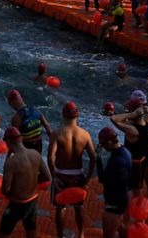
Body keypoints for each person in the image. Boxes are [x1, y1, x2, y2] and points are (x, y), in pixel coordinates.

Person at [47, 101, 95, 238]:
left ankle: (60, 235)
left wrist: (54, 177)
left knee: (59, 208)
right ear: (77, 116)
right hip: (77, 175)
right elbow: (93, 158)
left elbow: (50, 157)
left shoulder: (57, 134)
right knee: (78, 207)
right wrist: (88, 178)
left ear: (63, 116)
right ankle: (81, 234)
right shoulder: (85, 134)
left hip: (61, 175)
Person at [0, 127, 50, 238]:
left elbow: (5, 189)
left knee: (3, 233)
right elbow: (47, 177)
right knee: (31, 231)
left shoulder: (11, 162)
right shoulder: (35, 154)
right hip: (32, 201)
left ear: (7, 142)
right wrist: (31, 182)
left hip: (17, 204)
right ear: (20, 138)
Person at [96, 127, 131, 238]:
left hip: (114, 204)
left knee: (108, 235)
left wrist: (98, 157)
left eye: (104, 145)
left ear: (110, 142)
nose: (104, 148)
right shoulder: (125, 151)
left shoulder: (117, 161)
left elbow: (102, 179)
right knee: (120, 227)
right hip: (123, 198)